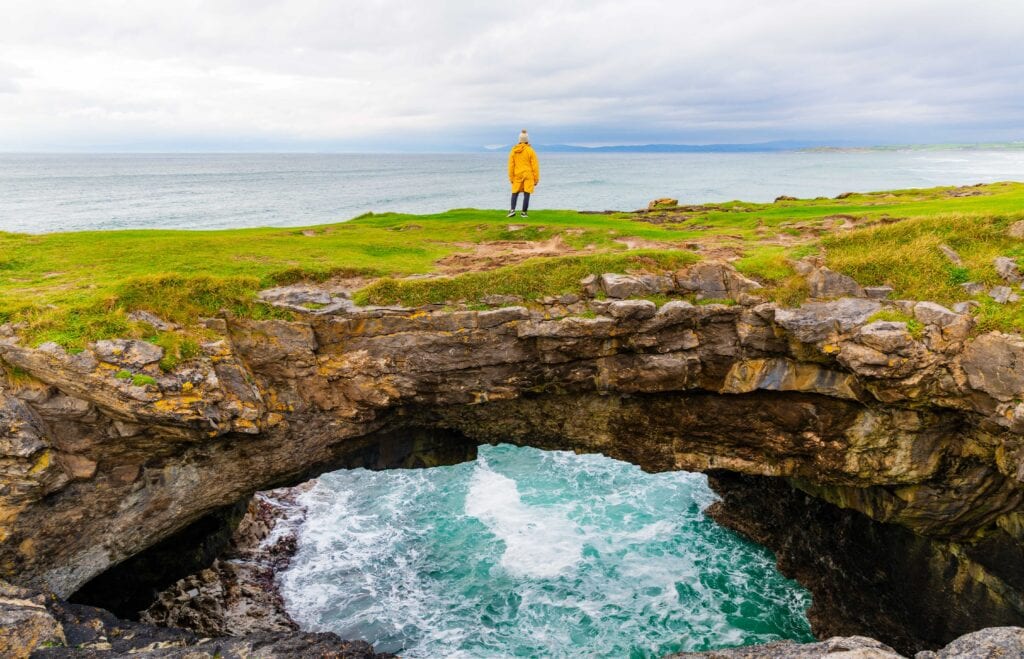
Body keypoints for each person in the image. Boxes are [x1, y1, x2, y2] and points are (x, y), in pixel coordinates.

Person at [507, 129, 539, 217]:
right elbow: (535, 166)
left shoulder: (513, 151)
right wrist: (536, 179)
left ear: (519, 140)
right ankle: (524, 212)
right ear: (527, 140)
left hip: (517, 174)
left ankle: (512, 210)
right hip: (528, 174)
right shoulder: (530, 150)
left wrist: (511, 177)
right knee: (527, 193)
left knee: (515, 192)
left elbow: (511, 166)